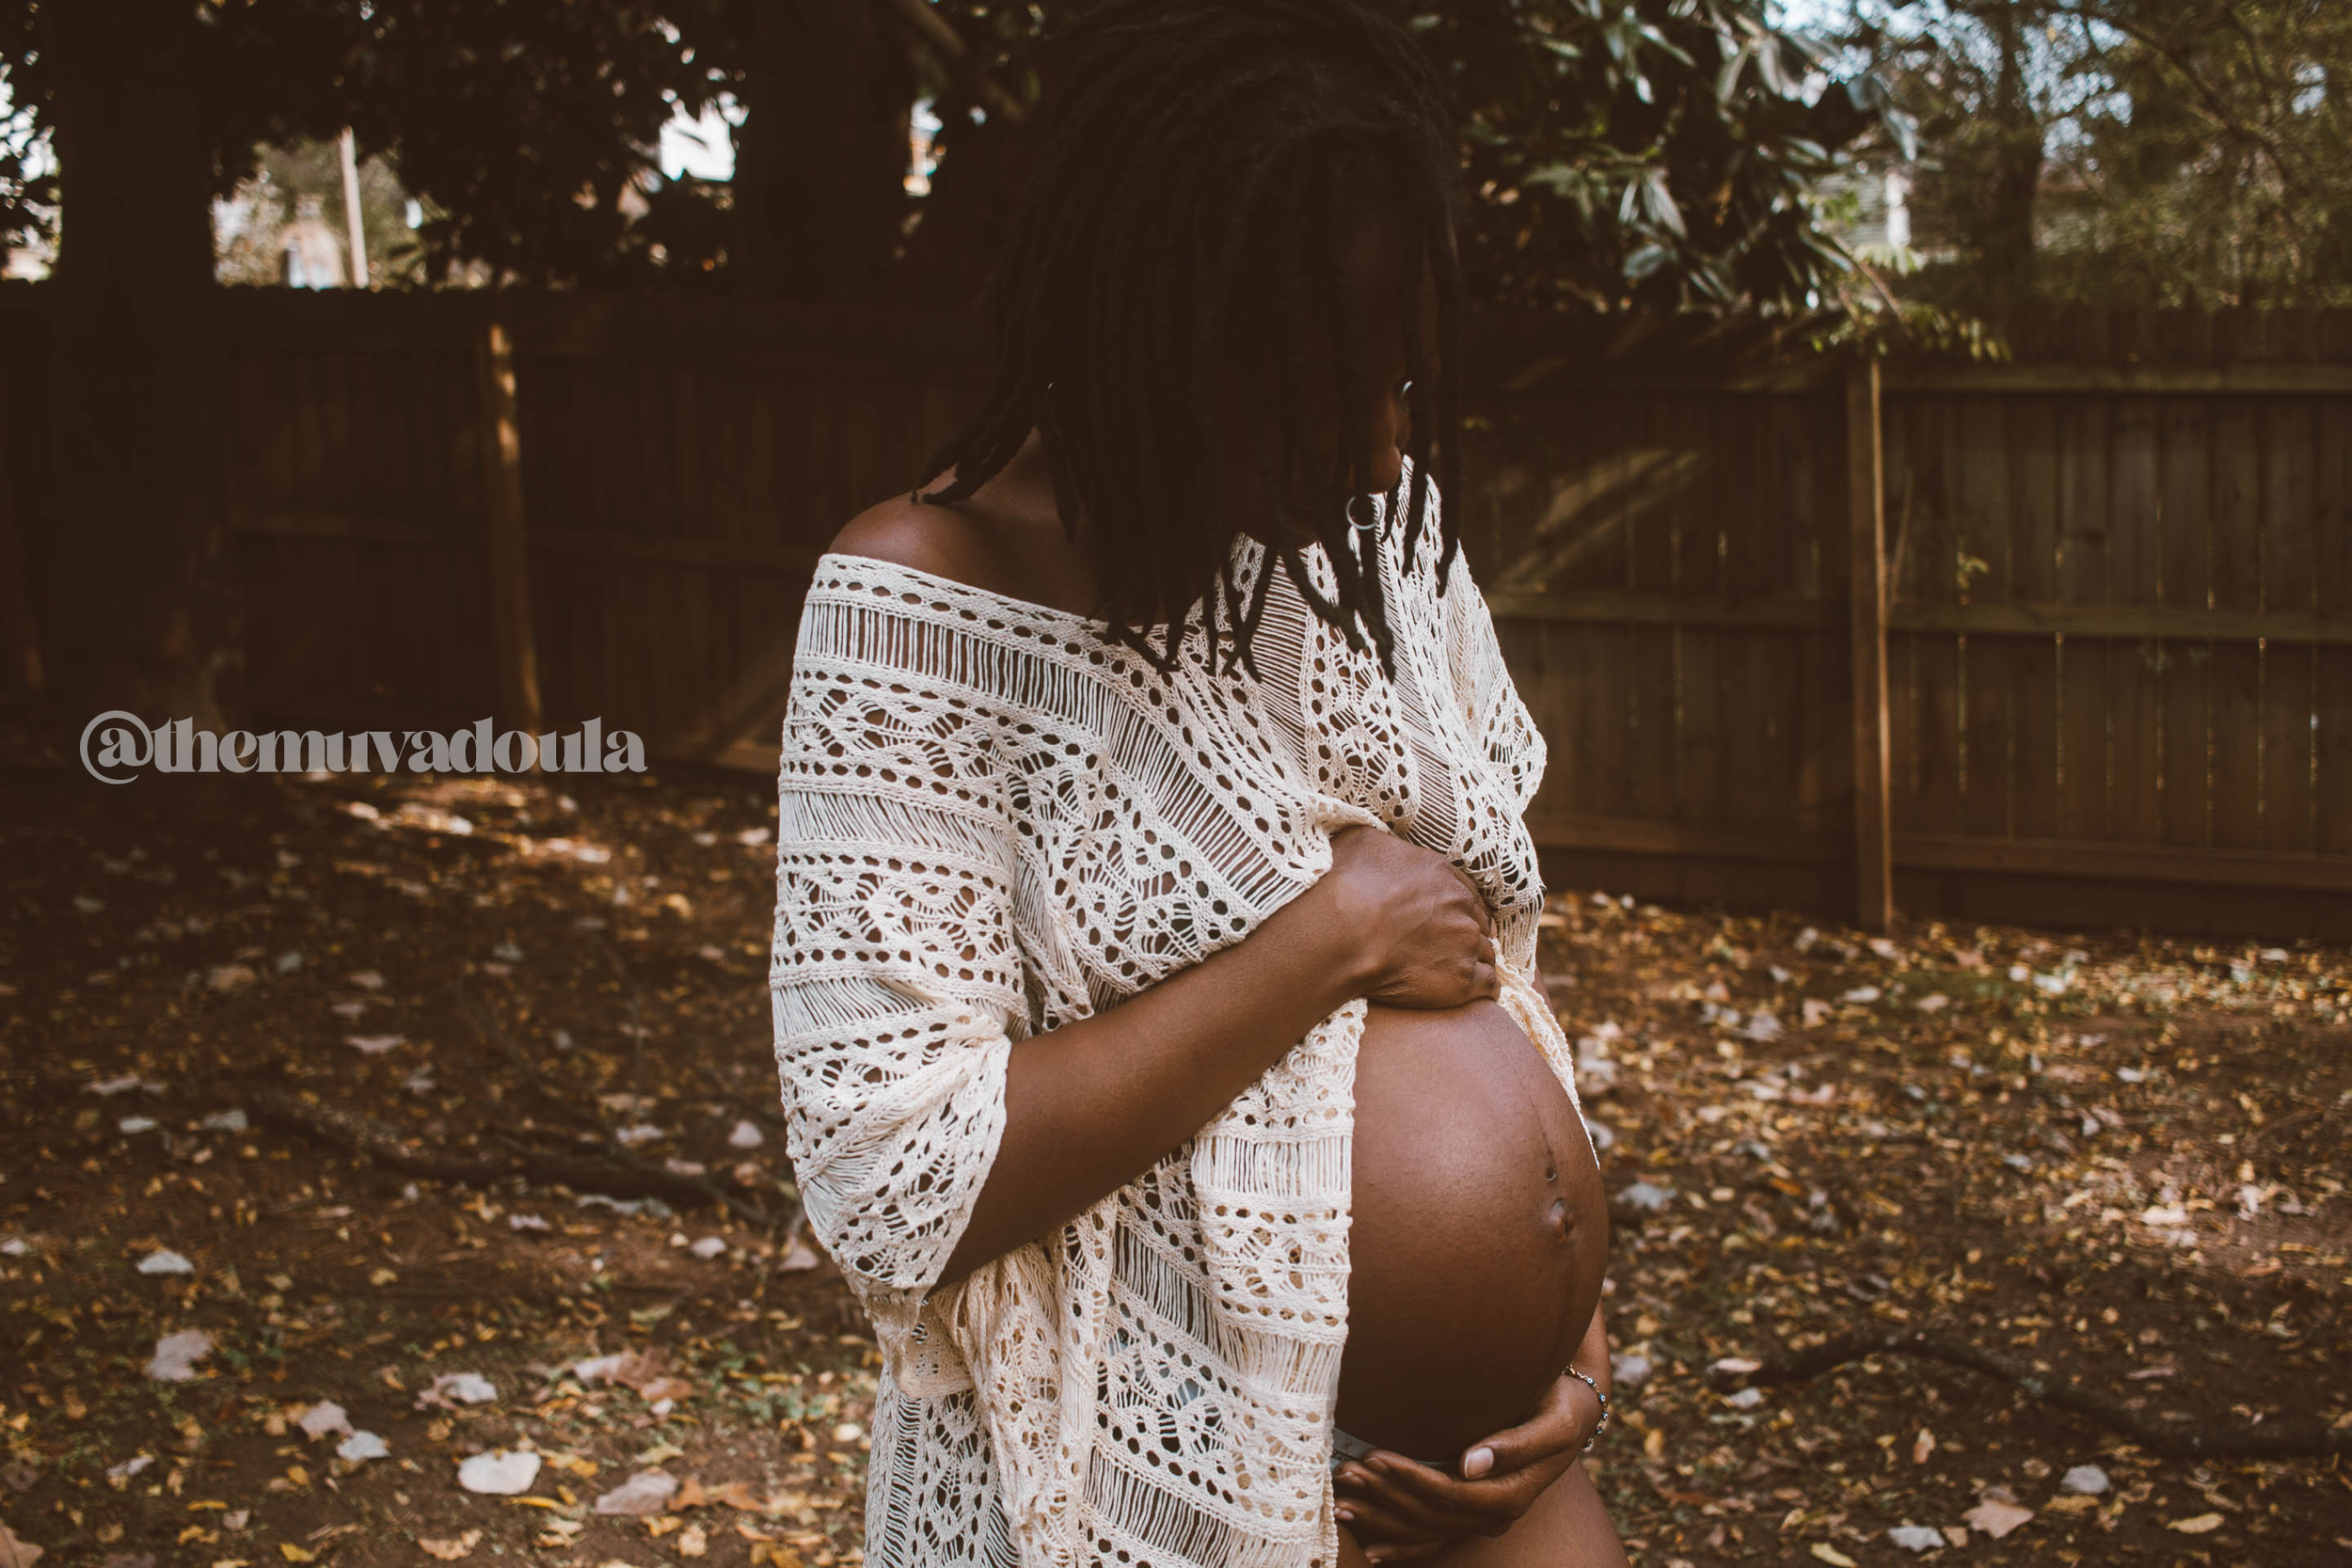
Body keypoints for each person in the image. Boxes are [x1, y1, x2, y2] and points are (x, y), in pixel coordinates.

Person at [769, 4, 1626, 1563]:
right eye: (1322, 395)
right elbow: (892, 1173)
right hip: (1156, 1481)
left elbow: (1503, 974)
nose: (1379, 458)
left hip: (1491, 1480)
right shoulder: (919, 605)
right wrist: (1320, 943)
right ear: (1149, 333)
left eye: (1402, 394)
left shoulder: (1376, 548)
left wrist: (1573, 1351)